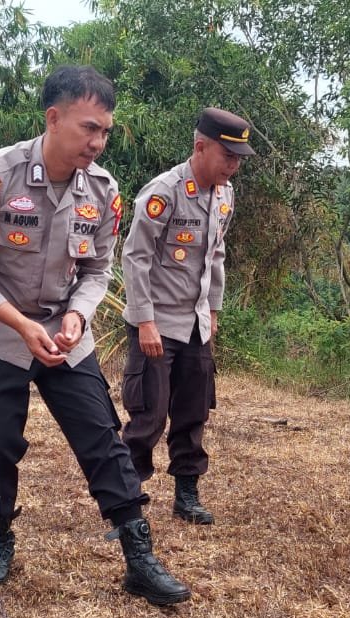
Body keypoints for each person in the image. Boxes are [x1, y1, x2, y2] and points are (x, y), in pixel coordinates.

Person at [0, 65, 191, 606]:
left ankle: (137, 552)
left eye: (104, 130)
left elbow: (99, 270)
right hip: (0, 334)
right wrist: (22, 324)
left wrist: (78, 316)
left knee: (102, 438)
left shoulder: (103, 191)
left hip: (65, 335)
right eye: (88, 128)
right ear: (52, 119)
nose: (98, 142)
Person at [120, 108, 252, 525]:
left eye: (239, 159)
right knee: (149, 415)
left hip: (195, 325)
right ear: (200, 147)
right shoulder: (165, 192)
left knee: (194, 411)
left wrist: (212, 312)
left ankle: (187, 493)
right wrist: (144, 321)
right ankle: (128, 499)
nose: (234, 165)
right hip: (156, 323)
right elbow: (135, 257)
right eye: (227, 156)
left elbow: (216, 257)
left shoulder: (225, 195)